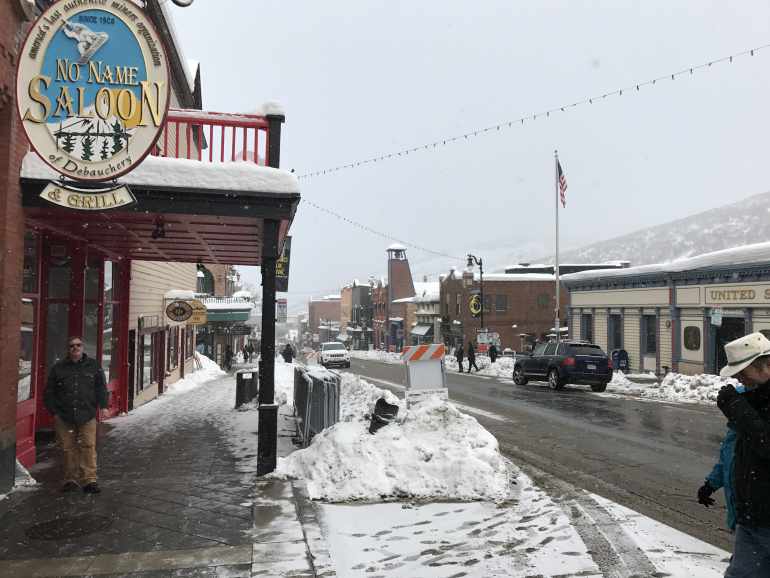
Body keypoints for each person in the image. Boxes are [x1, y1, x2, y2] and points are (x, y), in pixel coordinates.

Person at [716, 332, 770, 577]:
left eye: (743, 370)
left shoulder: (748, 405)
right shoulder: (754, 398)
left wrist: (737, 409)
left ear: (765, 365)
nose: (738, 377)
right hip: (753, 518)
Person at [44, 336, 108, 494]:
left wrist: (104, 405)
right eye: (72, 346)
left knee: (88, 446)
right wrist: (54, 412)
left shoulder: (93, 366)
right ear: (68, 349)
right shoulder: (58, 368)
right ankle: (70, 479)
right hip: (64, 416)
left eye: (78, 345)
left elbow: (101, 387)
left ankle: (90, 480)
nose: (75, 348)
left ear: (83, 347)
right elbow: (49, 392)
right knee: (67, 448)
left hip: (87, 414)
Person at [697, 424, 737, 532]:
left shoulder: (759, 431)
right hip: (741, 518)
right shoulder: (734, 432)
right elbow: (726, 464)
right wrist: (710, 485)